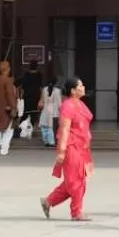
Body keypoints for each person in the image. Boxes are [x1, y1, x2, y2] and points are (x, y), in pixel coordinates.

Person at [42, 77, 93, 222]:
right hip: (71, 146)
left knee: (75, 180)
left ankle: (48, 201)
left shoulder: (80, 104)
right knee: (76, 181)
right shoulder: (67, 106)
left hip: (82, 147)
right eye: (80, 85)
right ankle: (76, 212)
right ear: (73, 90)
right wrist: (62, 151)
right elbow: (64, 129)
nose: (83, 87)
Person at [0, 61, 19, 156]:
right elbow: (10, 95)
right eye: (9, 68)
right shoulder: (8, 80)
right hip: (7, 108)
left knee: (1, 127)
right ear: (7, 69)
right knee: (9, 129)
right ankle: (3, 149)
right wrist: (13, 107)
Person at [39, 79, 62, 147]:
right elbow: (59, 103)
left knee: (44, 126)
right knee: (51, 127)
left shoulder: (44, 89)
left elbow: (42, 100)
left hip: (46, 109)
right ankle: (51, 142)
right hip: (54, 111)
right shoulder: (57, 91)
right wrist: (61, 111)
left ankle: (46, 141)